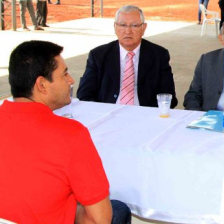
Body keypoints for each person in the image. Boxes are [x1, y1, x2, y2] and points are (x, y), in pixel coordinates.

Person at [0, 40, 131, 223]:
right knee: (118, 210)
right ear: (42, 85)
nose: (71, 80)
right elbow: (98, 220)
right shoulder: (70, 134)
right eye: (64, 74)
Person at [77, 5, 177, 108]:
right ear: (115, 27)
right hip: (107, 114)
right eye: (123, 25)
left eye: (134, 25)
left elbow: (168, 96)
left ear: (143, 28)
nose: (128, 31)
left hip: (144, 115)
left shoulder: (159, 55)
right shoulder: (98, 55)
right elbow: (84, 95)